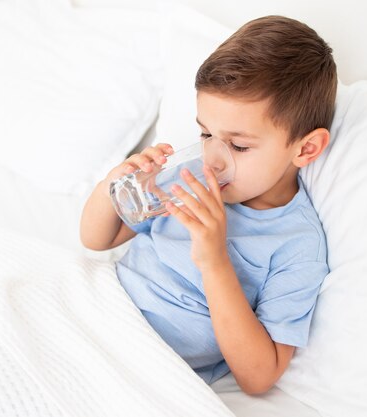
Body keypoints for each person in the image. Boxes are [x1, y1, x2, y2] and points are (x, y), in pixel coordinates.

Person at [80, 15, 336, 395]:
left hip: (140, 363)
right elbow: (97, 240)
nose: (214, 159)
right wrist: (113, 185)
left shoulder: (296, 245)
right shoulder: (192, 174)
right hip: (94, 311)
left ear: (306, 148)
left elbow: (258, 377)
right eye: (205, 133)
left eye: (239, 145)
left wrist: (214, 260)